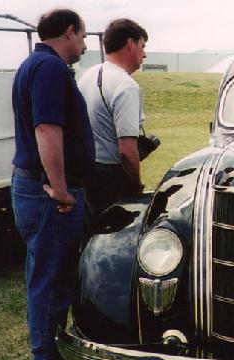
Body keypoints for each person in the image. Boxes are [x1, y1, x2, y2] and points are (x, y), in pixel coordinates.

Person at [10, 8, 95, 360]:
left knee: (45, 273)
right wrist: (60, 188)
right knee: (49, 277)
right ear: (69, 31)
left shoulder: (32, 64)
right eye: (82, 36)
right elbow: (46, 128)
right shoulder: (50, 69)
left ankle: (52, 355)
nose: (84, 43)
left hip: (33, 187)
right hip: (48, 193)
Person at [78, 18, 148, 217]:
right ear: (130, 44)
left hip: (87, 172)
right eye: (142, 46)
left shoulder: (87, 76)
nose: (144, 54)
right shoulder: (126, 85)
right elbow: (126, 150)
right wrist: (136, 185)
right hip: (113, 179)